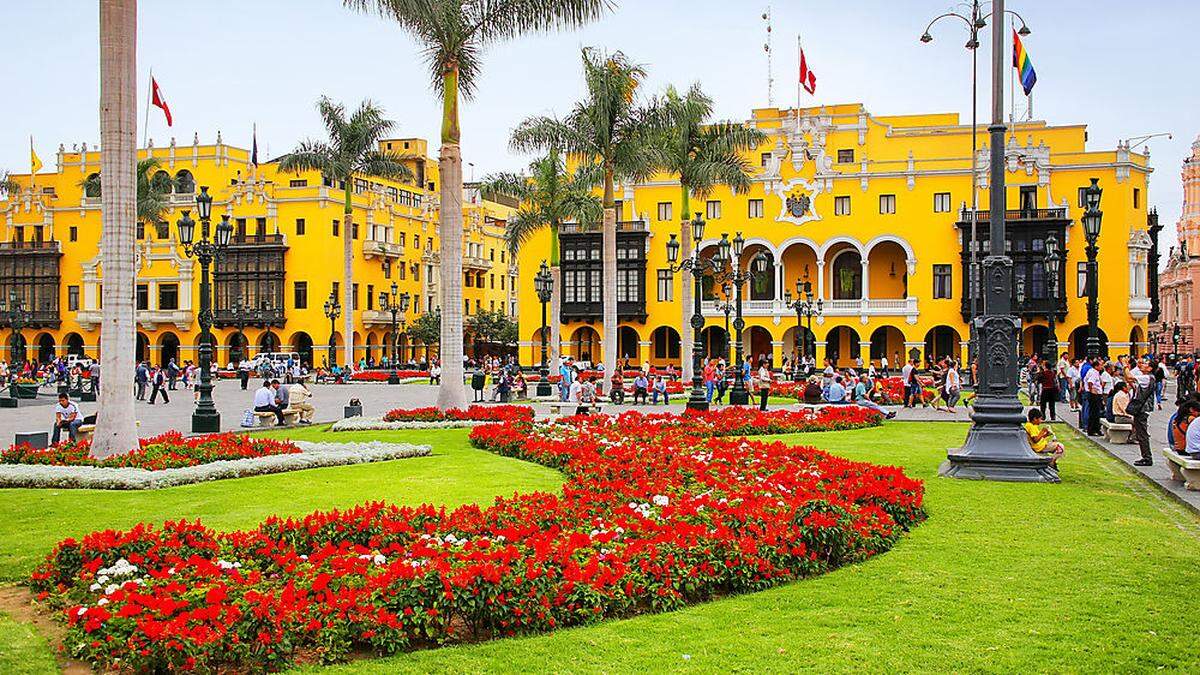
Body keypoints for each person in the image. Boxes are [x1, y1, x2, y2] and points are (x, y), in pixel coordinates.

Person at [1125, 358, 1157, 466]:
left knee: (1142, 434)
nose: (1142, 365)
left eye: (1145, 364)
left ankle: (1147, 457)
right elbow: (1129, 380)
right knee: (1140, 433)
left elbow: (1129, 377)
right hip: (1143, 408)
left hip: (1142, 409)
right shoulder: (1148, 378)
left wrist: (1125, 366)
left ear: (1150, 368)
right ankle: (1145, 456)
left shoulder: (1147, 378)